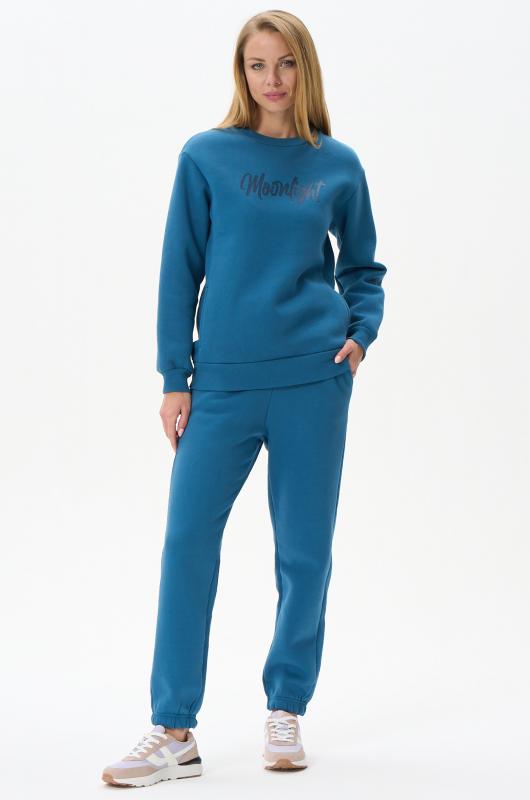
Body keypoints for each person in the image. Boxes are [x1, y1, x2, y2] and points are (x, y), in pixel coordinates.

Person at [101, 8, 387, 787]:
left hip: (312, 381)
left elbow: (362, 267)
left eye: (285, 63)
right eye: (258, 65)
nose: (272, 79)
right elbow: (179, 267)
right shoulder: (206, 156)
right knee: (186, 545)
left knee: (303, 553)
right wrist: (174, 377)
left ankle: (285, 707)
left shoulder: (337, 164)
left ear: (305, 69)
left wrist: (359, 335)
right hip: (221, 384)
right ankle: (173, 729)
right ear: (241, 72)